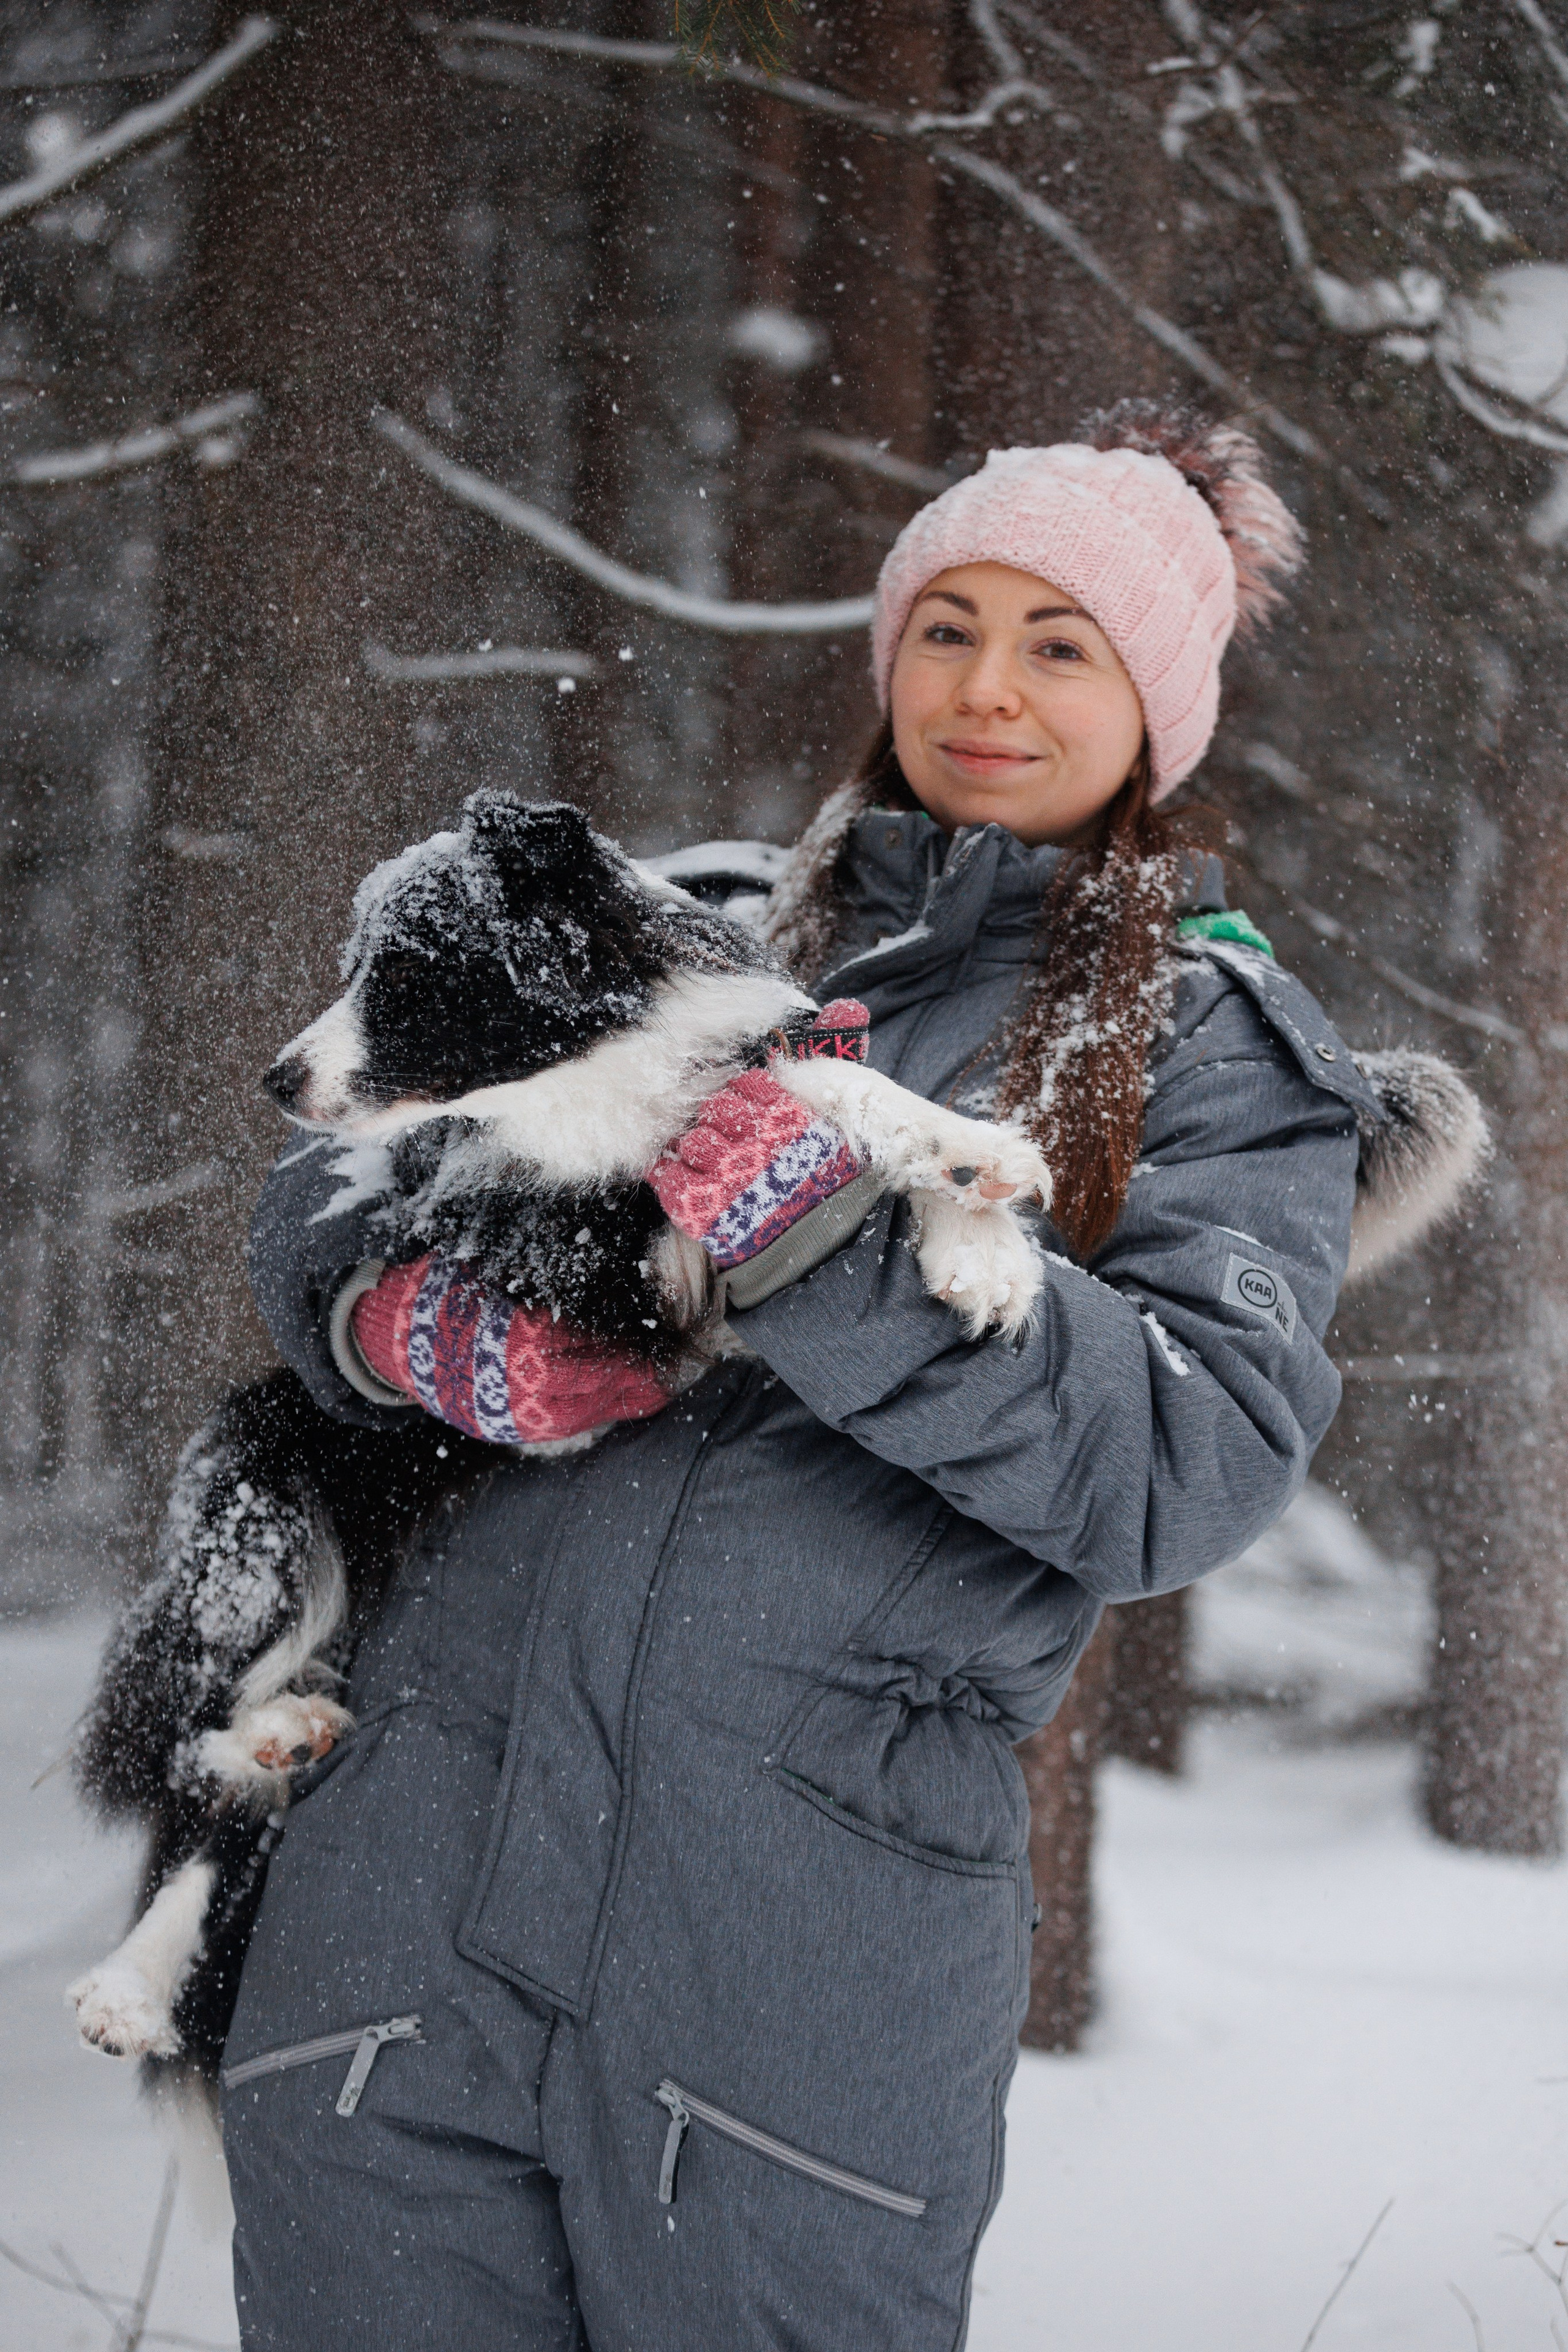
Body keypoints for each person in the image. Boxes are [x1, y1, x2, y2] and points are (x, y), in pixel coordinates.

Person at [224, 402, 1375, 2349]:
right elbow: (337, 1171)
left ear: (1155, 708)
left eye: (1061, 644)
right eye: (949, 628)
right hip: (406, 1924)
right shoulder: (690, 916)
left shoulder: (1211, 1046)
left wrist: (829, 1242)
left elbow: (1185, 1461)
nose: (987, 687)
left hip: (787, 1979)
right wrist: (390, 1319)